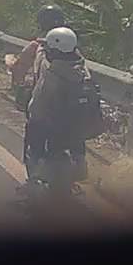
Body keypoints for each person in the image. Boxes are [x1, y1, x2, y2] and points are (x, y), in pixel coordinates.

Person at [21, 26, 90, 192]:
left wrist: (31, 114)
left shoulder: (52, 71)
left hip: (51, 122)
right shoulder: (82, 68)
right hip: (76, 123)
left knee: (33, 137)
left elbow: (37, 103)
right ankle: (79, 163)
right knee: (77, 137)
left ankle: (34, 178)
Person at [6, 5, 66, 93]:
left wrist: (20, 88)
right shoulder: (71, 46)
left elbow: (18, 70)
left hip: (44, 95)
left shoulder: (36, 46)